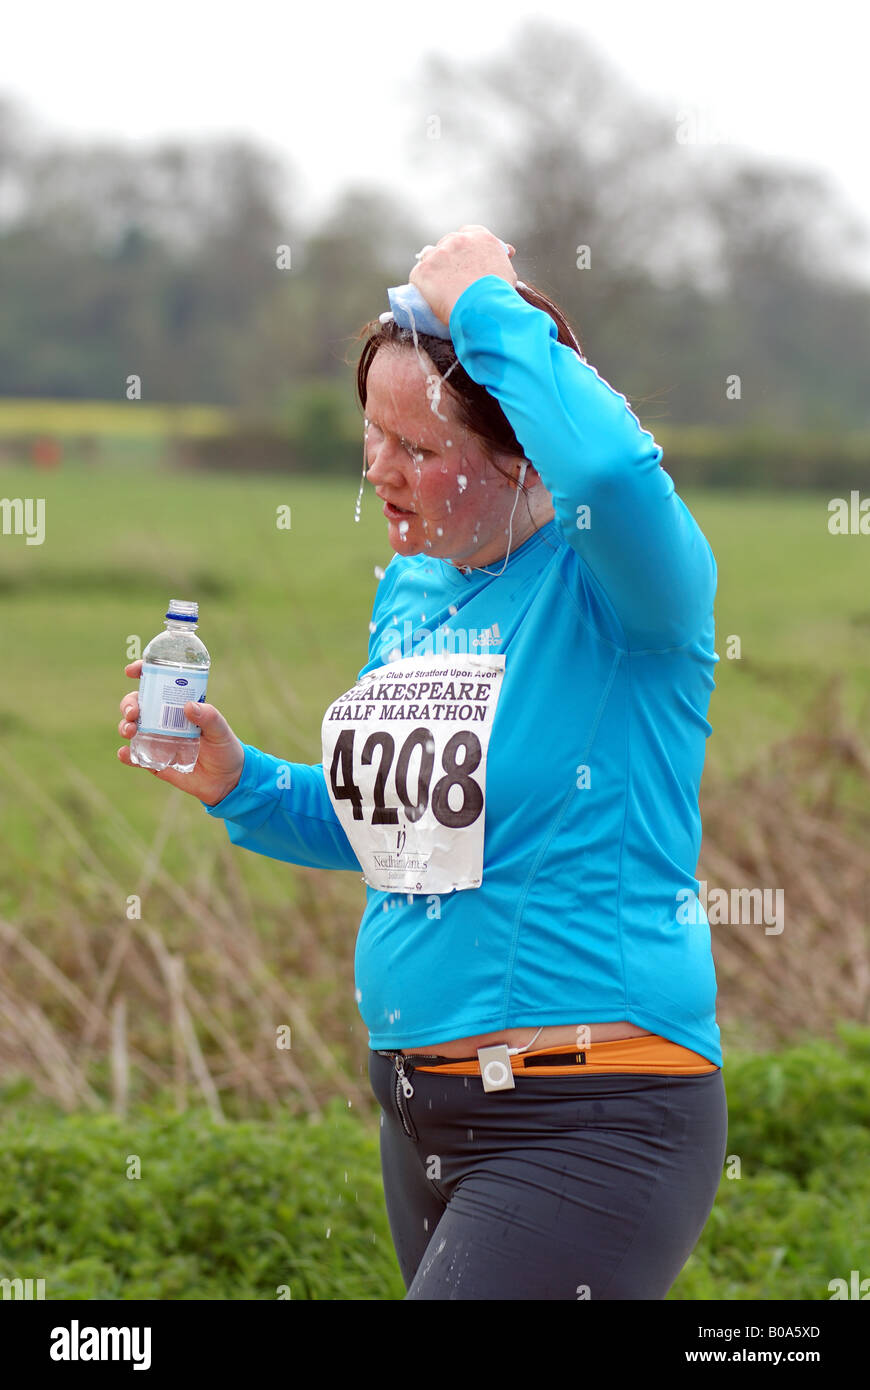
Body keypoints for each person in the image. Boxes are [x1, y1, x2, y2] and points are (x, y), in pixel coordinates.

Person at [117, 224, 727, 1300]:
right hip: (424, 1116)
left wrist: (489, 305)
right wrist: (240, 782)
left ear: (518, 452)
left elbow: (614, 470)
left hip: (589, 1113)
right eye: (370, 435)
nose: (376, 470)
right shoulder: (413, 592)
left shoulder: (628, 590)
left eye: (419, 448)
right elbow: (402, 841)